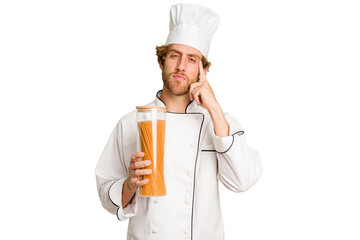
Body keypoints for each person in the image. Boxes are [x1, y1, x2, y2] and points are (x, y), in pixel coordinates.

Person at [95, 3, 262, 240]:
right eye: (174, 56)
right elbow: (106, 193)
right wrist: (130, 185)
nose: (181, 66)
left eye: (192, 59)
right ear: (161, 62)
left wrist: (214, 108)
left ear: (202, 70)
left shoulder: (218, 123)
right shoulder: (132, 123)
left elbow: (242, 180)